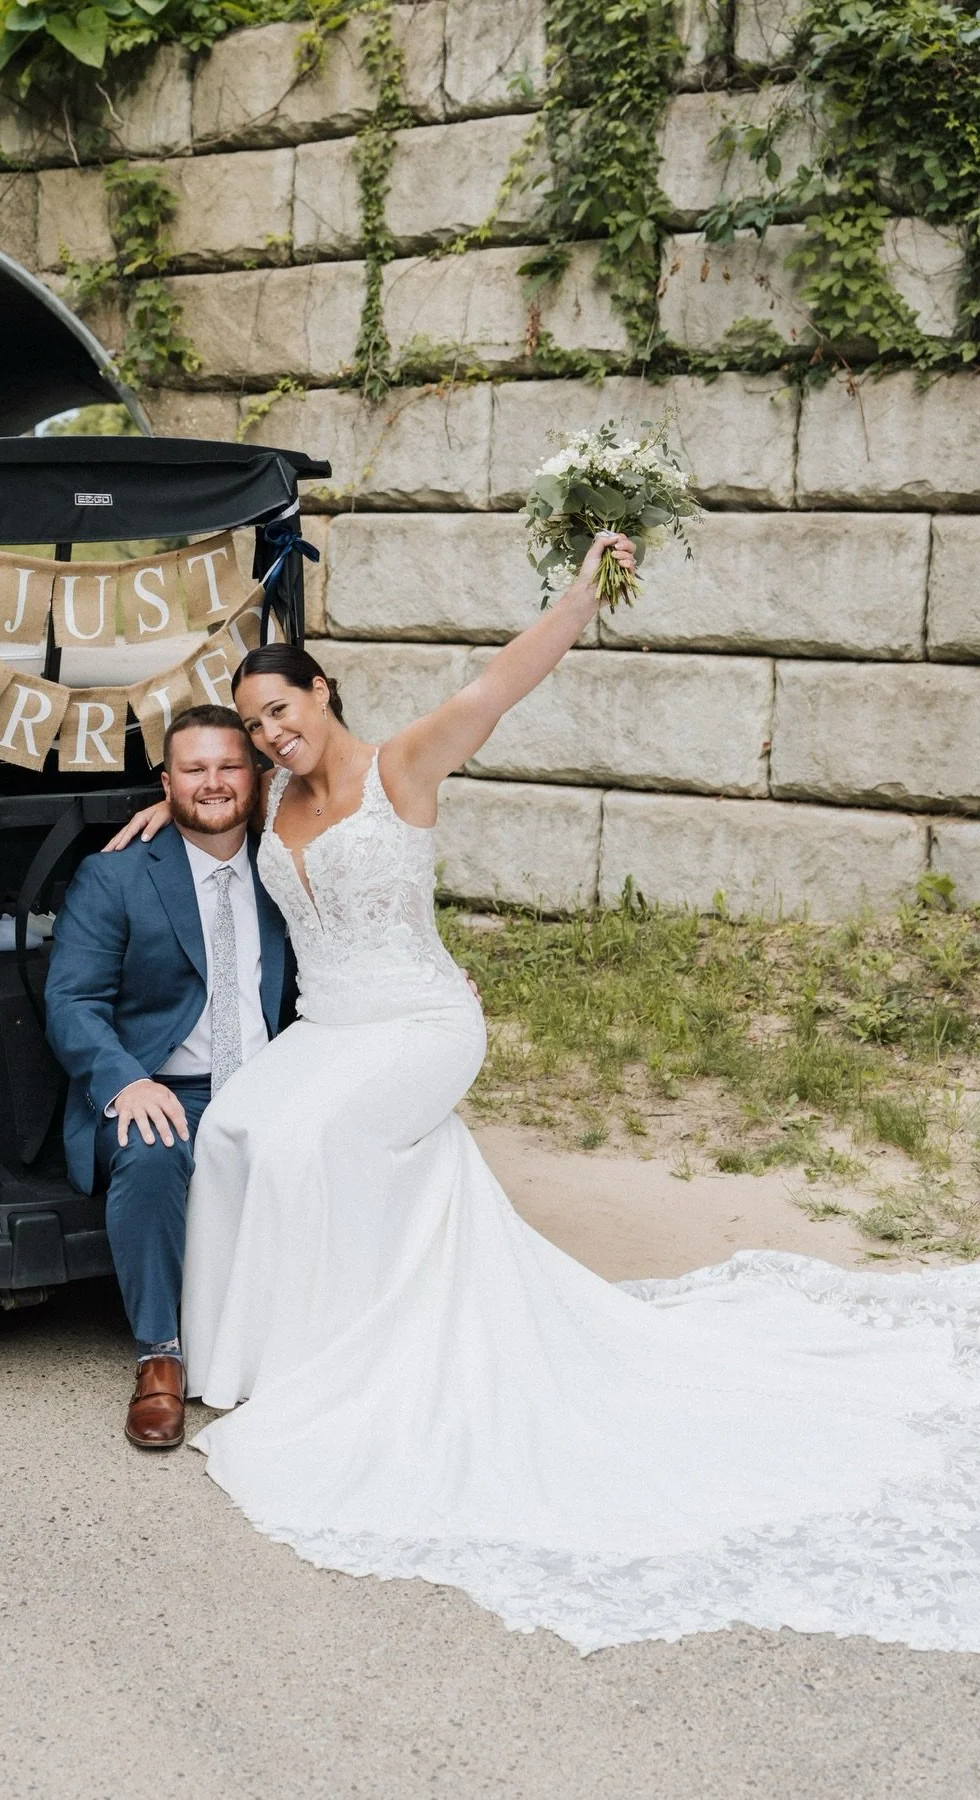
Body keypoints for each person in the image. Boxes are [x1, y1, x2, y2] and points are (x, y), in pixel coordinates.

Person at [106, 531, 980, 1654]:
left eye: (282, 710)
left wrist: (581, 593)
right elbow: (206, 800)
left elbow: (501, 683)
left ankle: (338, 1367)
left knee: (306, 1143)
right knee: (233, 1125)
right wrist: (156, 816)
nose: (270, 733)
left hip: (419, 1023)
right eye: (256, 723)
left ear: (324, 691)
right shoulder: (270, 795)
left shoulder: (404, 764)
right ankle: (233, 1359)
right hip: (330, 1026)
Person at [45, 704, 293, 1451]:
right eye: (194, 769)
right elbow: (72, 1002)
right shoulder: (115, 876)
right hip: (165, 1083)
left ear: (256, 777)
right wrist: (127, 1081)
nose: (213, 783)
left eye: (229, 766)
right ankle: (160, 1357)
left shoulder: (285, 867)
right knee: (151, 1153)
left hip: (273, 1078)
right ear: (166, 782)